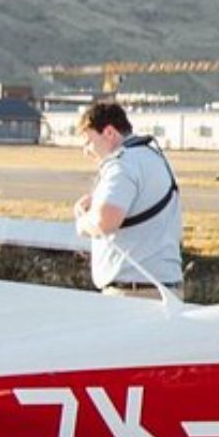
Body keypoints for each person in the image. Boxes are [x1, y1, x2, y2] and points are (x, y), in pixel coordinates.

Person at [72, 101, 184, 300]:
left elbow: (104, 222)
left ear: (109, 133)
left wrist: (82, 220)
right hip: (165, 289)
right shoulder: (153, 157)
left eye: (89, 141)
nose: (86, 151)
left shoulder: (121, 165)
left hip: (133, 293)